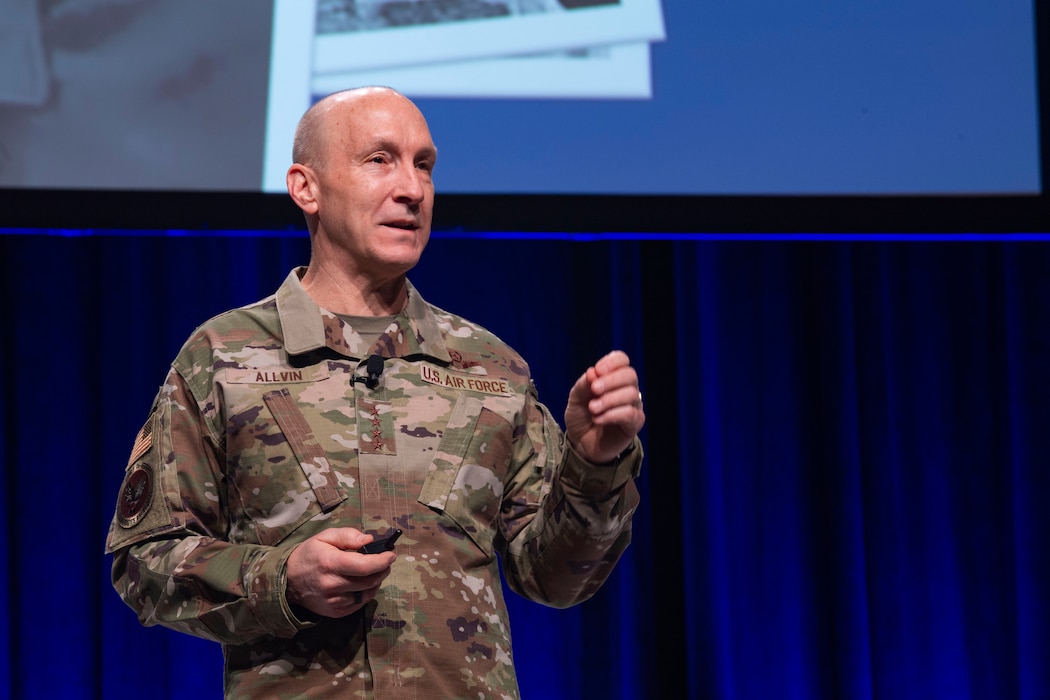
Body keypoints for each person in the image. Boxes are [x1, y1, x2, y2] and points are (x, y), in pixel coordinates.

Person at [105, 86, 645, 699]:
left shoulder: (491, 368)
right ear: (306, 188)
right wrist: (282, 579)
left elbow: (555, 578)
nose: (412, 189)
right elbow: (144, 562)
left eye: (424, 165)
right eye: (380, 160)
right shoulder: (225, 356)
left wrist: (594, 466)